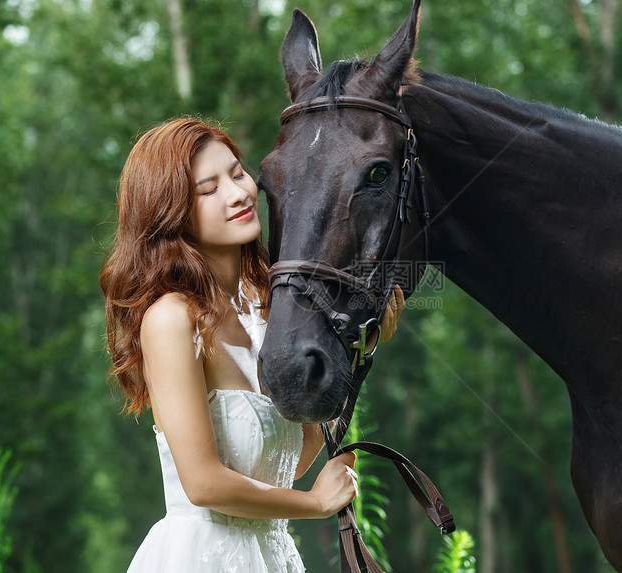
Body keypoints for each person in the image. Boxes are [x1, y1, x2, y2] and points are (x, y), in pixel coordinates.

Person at [99, 117, 405, 572]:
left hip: (272, 556)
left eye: (237, 172)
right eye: (208, 189)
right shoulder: (170, 319)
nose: (240, 193)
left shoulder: (262, 310)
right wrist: (315, 504)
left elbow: (291, 461)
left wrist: (358, 354)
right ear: (170, 212)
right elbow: (202, 483)